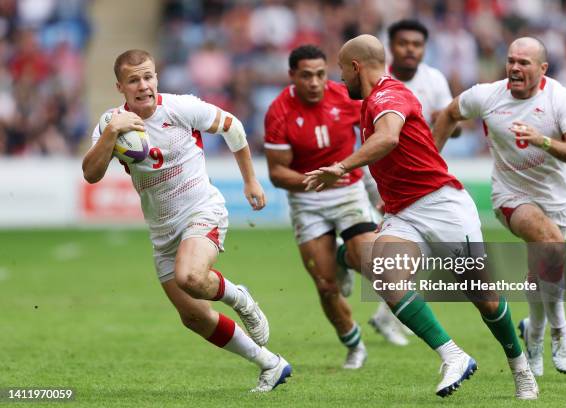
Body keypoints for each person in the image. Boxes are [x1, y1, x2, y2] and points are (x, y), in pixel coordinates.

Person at [304, 34, 539, 400]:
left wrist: (341, 166)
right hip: (404, 212)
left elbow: (388, 138)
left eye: (340, 70)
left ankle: (520, 367)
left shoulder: (389, 95)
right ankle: (453, 355)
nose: (340, 79)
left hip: (441, 205)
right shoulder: (369, 103)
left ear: (355, 67)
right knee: (382, 271)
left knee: (483, 296)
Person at [82, 49, 292, 392]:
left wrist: (251, 180)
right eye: (134, 80)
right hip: (162, 231)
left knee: (191, 277)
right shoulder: (110, 125)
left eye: (148, 77)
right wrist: (111, 133)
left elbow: (233, 127)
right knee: (193, 317)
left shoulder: (179, 107)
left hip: (201, 209)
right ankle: (270, 363)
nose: (143, 85)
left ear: (156, 78)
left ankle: (240, 298)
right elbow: (91, 175)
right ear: (120, 86)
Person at [433, 37, 566, 377]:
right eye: (511, 61)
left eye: (524, 62)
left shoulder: (560, 99)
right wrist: (430, 160)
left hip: (555, 198)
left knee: (543, 270)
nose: (516, 68)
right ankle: (560, 332)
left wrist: (542, 140)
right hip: (510, 195)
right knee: (549, 245)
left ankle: (533, 334)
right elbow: (448, 113)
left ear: (542, 69)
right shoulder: (487, 95)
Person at [264, 45, 381, 369]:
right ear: (292, 76)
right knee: (327, 284)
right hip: (307, 202)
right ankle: (354, 344)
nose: (315, 82)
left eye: (320, 74)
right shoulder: (278, 111)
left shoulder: (346, 97)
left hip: (348, 192)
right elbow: (277, 172)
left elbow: (376, 137)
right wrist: (315, 180)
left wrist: (374, 186)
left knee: (372, 262)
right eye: (306, 75)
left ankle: (345, 253)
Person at [367, 19, 463, 343]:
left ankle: (386, 314)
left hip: (420, 180)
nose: (410, 49)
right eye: (403, 43)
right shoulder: (378, 82)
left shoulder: (433, 79)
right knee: (387, 246)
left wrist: (440, 119)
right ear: (391, 47)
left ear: (424, 48)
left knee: (410, 247)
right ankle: (346, 259)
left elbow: (455, 124)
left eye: (417, 44)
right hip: (382, 176)